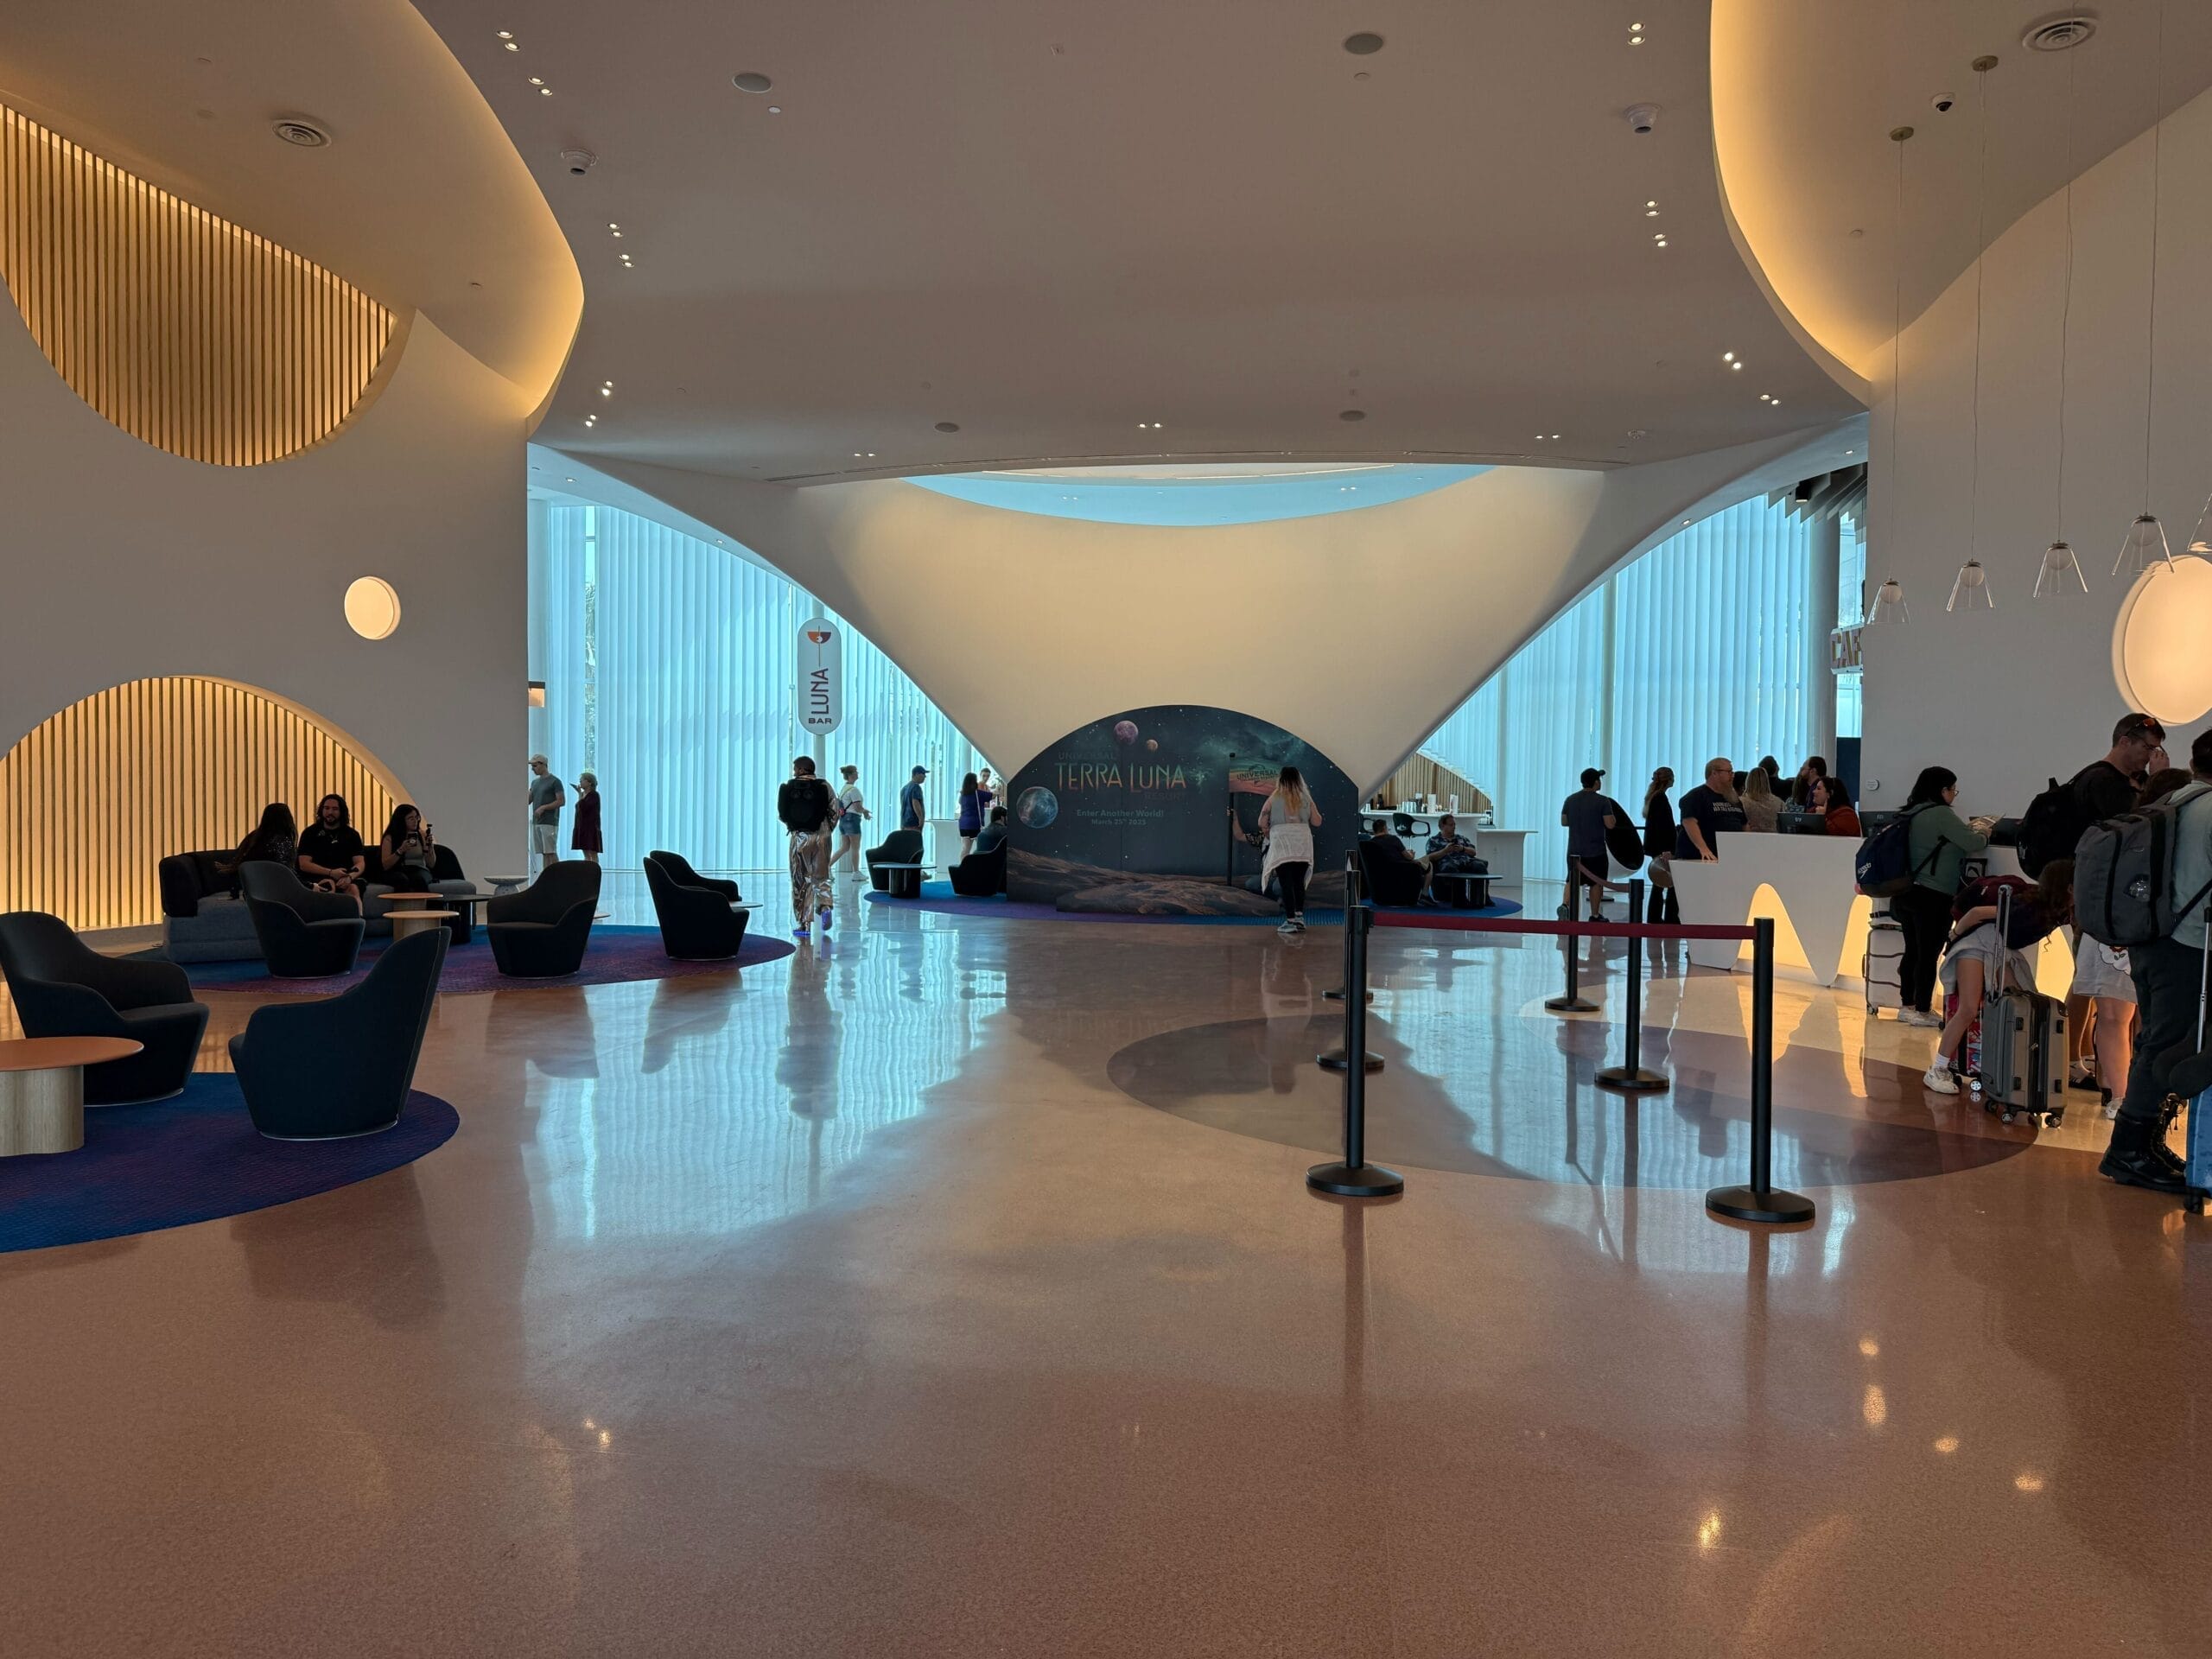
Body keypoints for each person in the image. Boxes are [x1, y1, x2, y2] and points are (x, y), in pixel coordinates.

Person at [2099, 730, 2212, 1193]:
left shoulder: (2178, 800)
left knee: (2155, 1039)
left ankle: (2144, 1143)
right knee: (2167, 1042)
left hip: (2154, 941)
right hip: (2187, 946)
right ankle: (2128, 1150)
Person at [2059, 715, 2162, 1091]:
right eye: (2147, 748)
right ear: (2124, 741)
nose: (2150, 757)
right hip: (2099, 902)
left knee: (2090, 984)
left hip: (2093, 898)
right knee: (2098, 988)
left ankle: (2078, 1058)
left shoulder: (2096, 779)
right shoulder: (2105, 783)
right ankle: (2077, 1062)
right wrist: (2155, 785)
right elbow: (2135, 829)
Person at [1924, 859, 2074, 1095]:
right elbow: (1976, 913)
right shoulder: (2029, 904)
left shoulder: (2059, 910)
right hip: (1976, 944)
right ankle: (1938, 1069)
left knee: (2019, 1004)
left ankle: (2008, 1068)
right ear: (2068, 887)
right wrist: (1953, 937)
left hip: (1999, 948)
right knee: (1969, 1008)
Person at [1891, 766, 1987, 1027]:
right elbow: (1973, 843)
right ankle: (1922, 1009)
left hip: (1905, 892)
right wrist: (1984, 832)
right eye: (1953, 789)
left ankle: (1907, 1005)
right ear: (1942, 790)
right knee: (1928, 953)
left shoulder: (1909, 812)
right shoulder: (1941, 814)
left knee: (1912, 950)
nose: (1954, 795)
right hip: (1933, 895)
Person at [1255, 765, 1322, 934]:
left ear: (1281, 780)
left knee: (1286, 883)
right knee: (1299, 882)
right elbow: (1317, 822)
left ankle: (1290, 920)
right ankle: (1299, 918)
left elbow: (1261, 821)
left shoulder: (1274, 797)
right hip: (1302, 842)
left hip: (1282, 841)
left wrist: (1268, 830)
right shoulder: (1306, 798)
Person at [778, 755, 838, 940]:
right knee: (822, 875)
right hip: (822, 834)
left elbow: (782, 814)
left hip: (800, 837)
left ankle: (804, 924)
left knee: (800, 879)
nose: (794, 771)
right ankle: (825, 906)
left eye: (796, 768)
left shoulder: (788, 787)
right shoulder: (824, 785)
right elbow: (834, 810)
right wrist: (827, 830)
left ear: (802, 770)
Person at [1560, 766, 1616, 916]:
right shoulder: (1603, 801)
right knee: (1596, 882)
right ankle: (1595, 915)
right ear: (1596, 782)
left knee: (1571, 880)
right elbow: (1610, 824)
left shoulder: (1570, 799)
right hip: (1595, 851)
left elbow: (1564, 821)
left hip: (1574, 850)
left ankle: (1565, 907)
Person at [1674, 756, 1745, 865]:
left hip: (1728, 857)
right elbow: (1689, 822)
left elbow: (1744, 824)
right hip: (1700, 858)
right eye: (1729, 772)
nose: (1732, 776)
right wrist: (1704, 849)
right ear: (1714, 773)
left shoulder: (1733, 798)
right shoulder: (1696, 796)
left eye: (1732, 772)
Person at [296, 793, 365, 897]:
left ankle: (358, 913)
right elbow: (304, 864)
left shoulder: (352, 834)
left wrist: (350, 877)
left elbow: (360, 863)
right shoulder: (310, 833)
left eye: (335, 809)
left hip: (346, 877)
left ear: (341, 812)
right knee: (328, 885)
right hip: (318, 876)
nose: (330, 812)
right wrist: (331, 873)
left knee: (353, 889)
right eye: (327, 808)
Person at [221, 803, 297, 887]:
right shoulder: (283, 841)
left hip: (251, 887)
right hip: (275, 889)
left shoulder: (255, 837)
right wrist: (309, 886)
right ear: (288, 819)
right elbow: (286, 872)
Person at [1418, 815, 1483, 906]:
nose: (1454, 827)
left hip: (1466, 861)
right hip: (1448, 862)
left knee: (1479, 866)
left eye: (1454, 824)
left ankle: (1481, 898)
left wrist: (1463, 849)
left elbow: (1473, 852)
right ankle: (1461, 899)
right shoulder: (1434, 840)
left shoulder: (1461, 838)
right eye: (1451, 825)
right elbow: (1430, 857)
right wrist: (1445, 851)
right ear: (1442, 826)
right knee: (1451, 868)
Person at [378, 804, 439, 893]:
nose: (415, 821)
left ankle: (423, 906)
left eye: (416, 817)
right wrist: (400, 850)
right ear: (401, 820)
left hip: (419, 869)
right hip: (398, 870)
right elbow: (385, 865)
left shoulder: (422, 835)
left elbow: (431, 864)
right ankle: (403, 906)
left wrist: (430, 847)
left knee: (418, 879)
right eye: (411, 818)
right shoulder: (390, 837)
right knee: (401, 880)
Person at [527, 754, 565, 872]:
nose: (533, 769)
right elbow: (529, 800)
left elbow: (561, 801)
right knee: (544, 852)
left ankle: (559, 876)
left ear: (543, 765)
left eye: (535, 766)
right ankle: (547, 877)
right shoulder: (534, 783)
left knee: (550, 851)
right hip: (537, 821)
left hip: (549, 821)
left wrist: (544, 807)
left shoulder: (555, 781)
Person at [834, 765, 870, 874]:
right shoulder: (854, 790)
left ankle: (827, 867)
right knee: (855, 847)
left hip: (843, 820)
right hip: (852, 819)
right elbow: (857, 807)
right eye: (856, 772)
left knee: (844, 847)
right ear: (851, 775)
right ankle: (856, 873)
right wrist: (865, 812)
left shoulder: (844, 789)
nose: (857, 773)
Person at [1810, 773, 1861, 837]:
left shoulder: (1847, 814)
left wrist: (1822, 818)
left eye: (1818, 789)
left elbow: (1838, 836)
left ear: (1830, 793)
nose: (1813, 791)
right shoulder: (1812, 811)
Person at [570, 771, 602, 864]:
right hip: (581, 825)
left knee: (592, 852)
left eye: (582, 780)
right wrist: (580, 794)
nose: (580, 783)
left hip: (591, 827)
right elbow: (579, 808)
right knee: (585, 852)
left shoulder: (594, 795)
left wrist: (580, 794)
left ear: (589, 782)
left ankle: (595, 871)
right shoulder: (583, 794)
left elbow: (584, 806)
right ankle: (587, 870)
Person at [1740, 766, 1781, 833]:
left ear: (1748, 781)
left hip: (1749, 839)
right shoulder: (1779, 803)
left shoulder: (1741, 802)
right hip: (1773, 840)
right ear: (1766, 781)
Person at [957, 772, 984, 861]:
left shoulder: (962, 794)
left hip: (963, 823)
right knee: (982, 845)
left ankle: (962, 868)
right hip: (973, 824)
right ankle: (975, 864)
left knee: (965, 848)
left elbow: (960, 803)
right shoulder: (976, 794)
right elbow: (991, 795)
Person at [899, 766, 927, 834]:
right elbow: (915, 803)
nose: (925, 777)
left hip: (904, 823)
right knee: (914, 843)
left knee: (907, 843)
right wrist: (920, 818)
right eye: (923, 774)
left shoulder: (904, 788)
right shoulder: (916, 787)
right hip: (914, 823)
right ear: (917, 774)